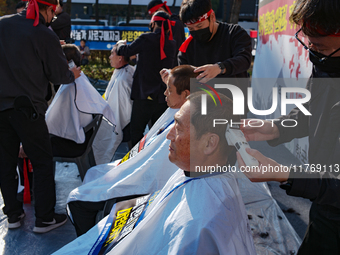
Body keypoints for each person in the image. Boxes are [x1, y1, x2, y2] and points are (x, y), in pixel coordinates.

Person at [54, 92, 257, 255]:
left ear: (209, 143)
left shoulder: (196, 228)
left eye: (177, 127)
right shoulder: (200, 173)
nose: (169, 134)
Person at [238, 0, 340, 254]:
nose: (312, 52)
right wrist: (276, 129)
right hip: (325, 207)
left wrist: (287, 174)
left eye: (321, 47)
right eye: (308, 42)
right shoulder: (325, 63)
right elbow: (311, 107)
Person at [66, 65, 194, 237]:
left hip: (148, 189)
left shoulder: (180, 122)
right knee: (94, 174)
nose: (165, 94)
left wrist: (126, 176)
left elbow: (153, 171)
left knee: (78, 200)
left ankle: (92, 243)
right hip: (143, 175)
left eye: (169, 90)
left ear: (185, 94)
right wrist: (171, 84)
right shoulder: (181, 111)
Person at [0, 0, 80, 233]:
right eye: (51, 15)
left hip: (1, 107)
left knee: (5, 164)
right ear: (47, 9)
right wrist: (71, 73)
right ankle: (44, 218)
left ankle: (13, 215)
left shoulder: (3, 24)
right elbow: (58, 74)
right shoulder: (43, 33)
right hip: (28, 109)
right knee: (42, 162)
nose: (51, 19)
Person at [45, 44, 116, 165]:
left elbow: (50, 122)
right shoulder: (80, 79)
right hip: (85, 138)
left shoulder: (70, 87)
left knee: (35, 145)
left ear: (67, 62)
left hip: (74, 145)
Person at [117, 11, 177, 147]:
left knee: (136, 133)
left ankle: (133, 162)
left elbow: (125, 51)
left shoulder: (146, 39)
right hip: (162, 97)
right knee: (158, 135)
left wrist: (120, 44)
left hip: (143, 95)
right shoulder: (172, 43)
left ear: (154, 23)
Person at [177, 0, 252, 84]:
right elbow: (184, 80)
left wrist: (220, 68)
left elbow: (244, 59)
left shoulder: (234, 33)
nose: (196, 31)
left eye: (200, 26)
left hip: (236, 94)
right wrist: (174, 78)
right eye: (191, 28)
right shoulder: (187, 47)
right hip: (202, 95)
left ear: (212, 17)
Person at [102, 42, 134, 155]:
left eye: (112, 54)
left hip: (123, 126)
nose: (110, 57)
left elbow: (120, 113)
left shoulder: (122, 80)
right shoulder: (127, 70)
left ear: (120, 58)